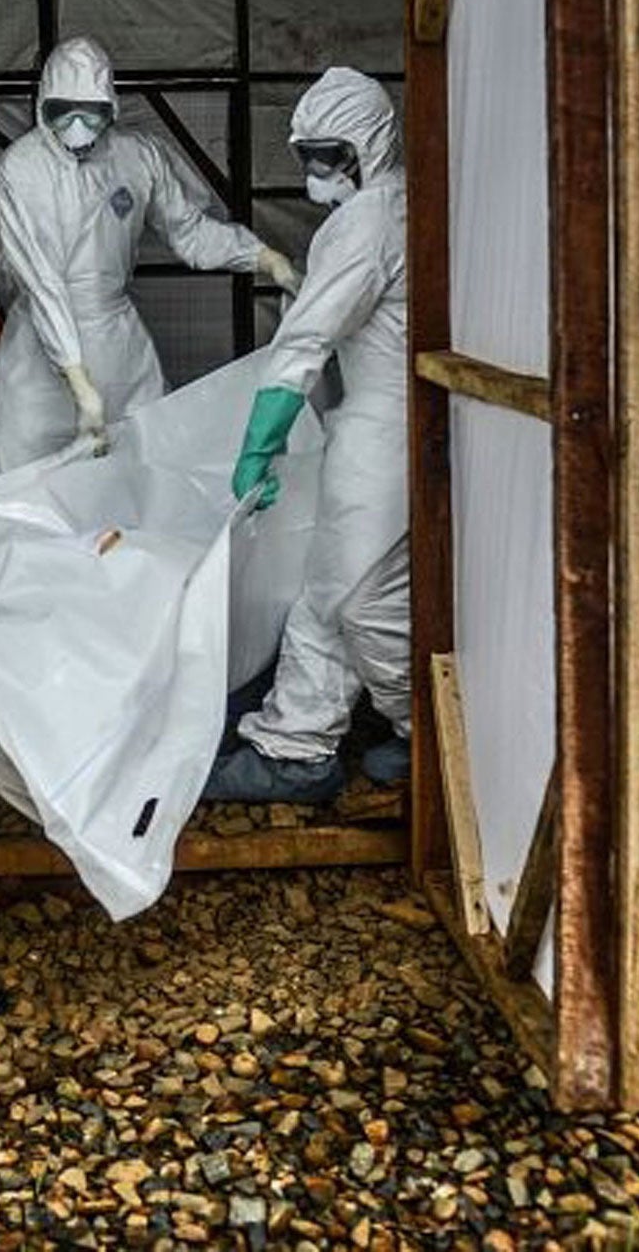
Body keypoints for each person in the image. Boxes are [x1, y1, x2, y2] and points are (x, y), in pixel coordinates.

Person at [205, 67, 411, 806]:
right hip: (396, 425)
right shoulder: (404, 206)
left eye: (328, 156)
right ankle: (304, 737)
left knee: (349, 596)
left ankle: (393, 729)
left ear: (366, 147)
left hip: (381, 433)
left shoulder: (362, 222)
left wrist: (260, 441)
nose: (315, 176)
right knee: (347, 593)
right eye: (307, 158)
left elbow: (304, 343)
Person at [0, 35, 298, 475]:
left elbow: (189, 231)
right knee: (19, 470)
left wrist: (262, 257)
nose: (77, 124)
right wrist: (77, 380)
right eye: (62, 111)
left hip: (117, 339)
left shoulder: (138, 157)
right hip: (38, 351)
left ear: (110, 107)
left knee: (143, 463)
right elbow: (43, 283)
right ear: (42, 106)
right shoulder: (21, 168)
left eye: (91, 111)